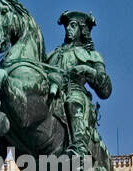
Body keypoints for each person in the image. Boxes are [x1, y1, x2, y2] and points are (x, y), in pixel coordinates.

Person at [46, 10, 111, 157]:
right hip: (52, 92)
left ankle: (79, 146)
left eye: (73, 25)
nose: (68, 29)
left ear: (82, 30)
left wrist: (87, 70)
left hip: (76, 92)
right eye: (67, 26)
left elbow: (105, 89)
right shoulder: (53, 55)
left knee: (73, 101)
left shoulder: (92, 55)